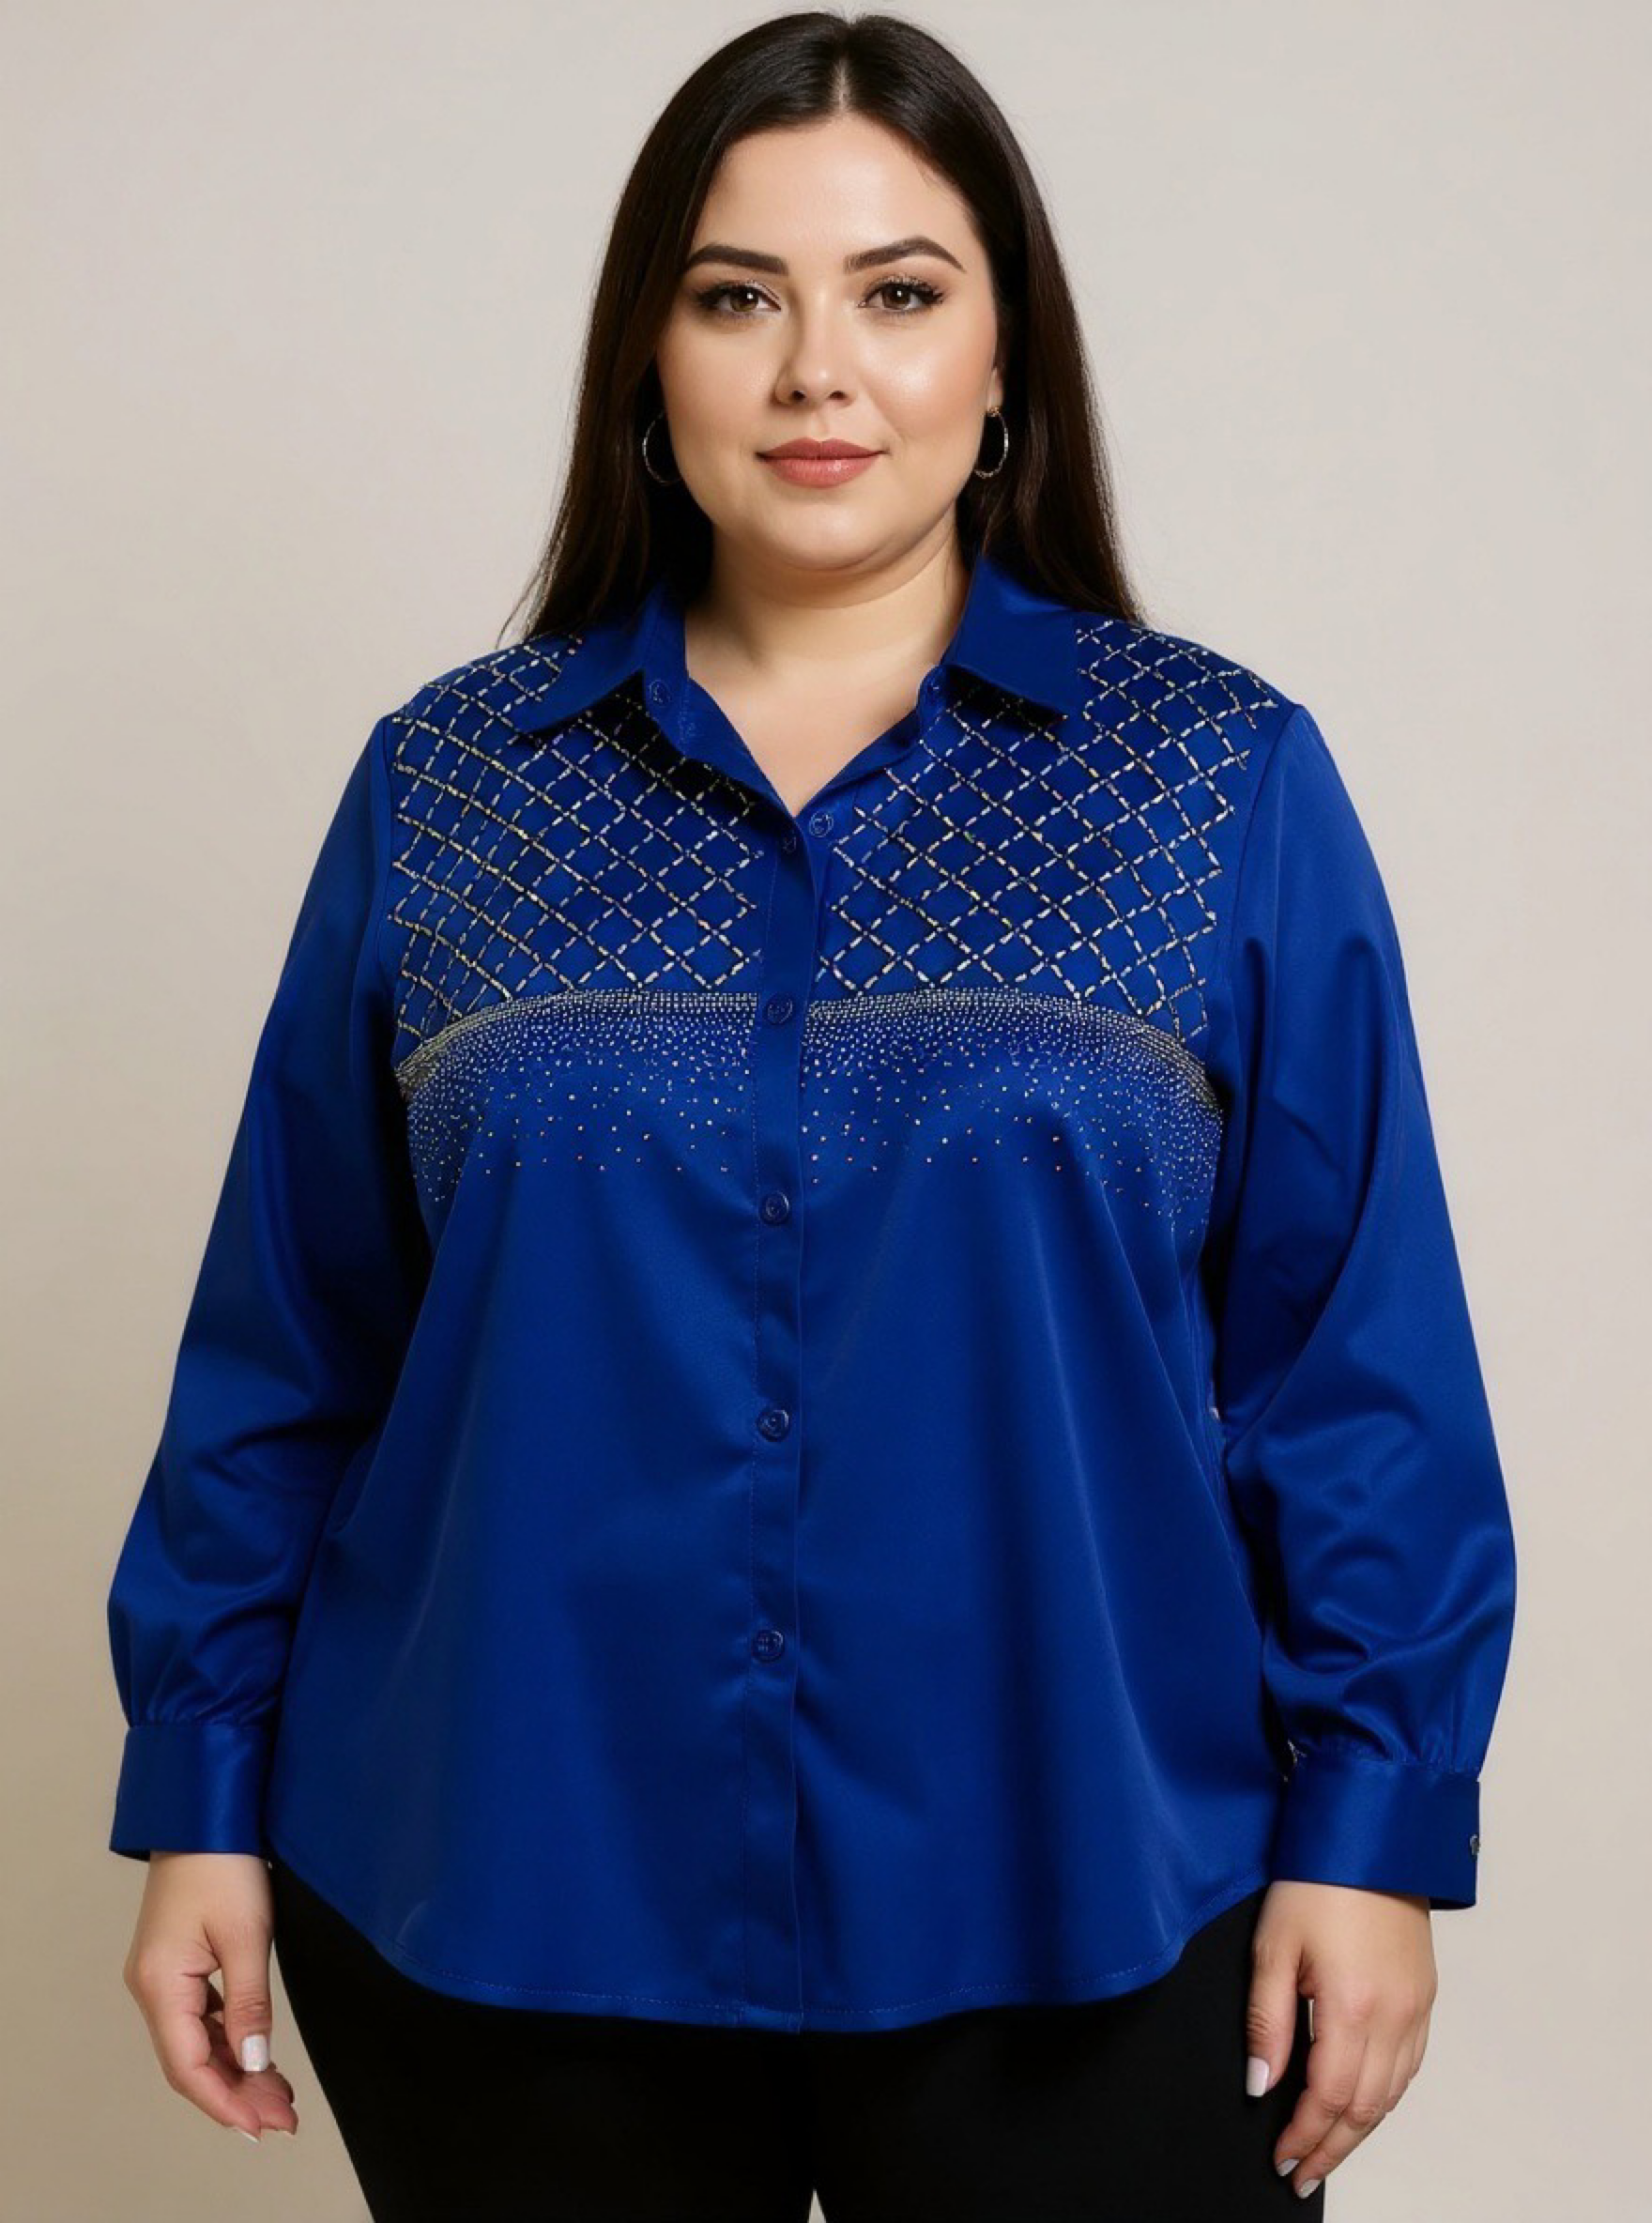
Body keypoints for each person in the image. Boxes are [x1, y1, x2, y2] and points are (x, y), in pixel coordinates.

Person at [106, 13, 1518, 2220]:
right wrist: (198, 1796)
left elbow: (1347, 1360)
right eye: (736, 295)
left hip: (1098, 1889)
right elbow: (294, 1348)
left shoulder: (1212, 784)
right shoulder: (449, 788)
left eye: (898, 290)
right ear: (648, 360)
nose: (815, 371)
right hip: (504, 1895)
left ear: (1002, 358)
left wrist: (1375, 1831)